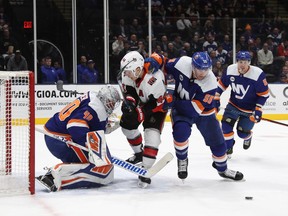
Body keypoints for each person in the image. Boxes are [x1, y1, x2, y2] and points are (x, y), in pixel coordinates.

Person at [165, 51, 244, 181]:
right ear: (192, 65)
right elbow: (164, 64)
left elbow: (193, 110)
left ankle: (223, 169)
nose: (202, 72)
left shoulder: (211, 83)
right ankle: (182, 160)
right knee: (180, 133)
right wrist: (156, 61)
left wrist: (172, 101)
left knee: (219, 144)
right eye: (199, 68)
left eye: (205, 69)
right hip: (182, 108)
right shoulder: (181, 63)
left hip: (203, 112)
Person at [36, 85, 121, 192]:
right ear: (103, 98)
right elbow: (74, 125)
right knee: (103, 172)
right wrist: (91, 148)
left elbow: (85, 120)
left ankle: (57, 173)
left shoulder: (93, 96)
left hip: (55, 135)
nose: (112, 106)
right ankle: (57, 177)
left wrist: (105, 126)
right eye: (110, 102)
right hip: (60, 140)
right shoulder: (96, 108)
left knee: (103, 167)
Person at [119, 51, 168, 188]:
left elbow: (156, 104)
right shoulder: (130, 75)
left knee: (152, 140)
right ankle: (139, 154)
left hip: (156, 110)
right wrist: (130, 103)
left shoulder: (155, 79)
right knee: (126, 127)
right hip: (141, 103)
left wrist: (140, 111)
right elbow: (130, 92)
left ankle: (145, 167)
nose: (126, 74)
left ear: (138, 68)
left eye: (128, 71)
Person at [215, 51, 270, 158]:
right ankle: (228, 148)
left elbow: (264, 94)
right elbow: (222, 84)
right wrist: (216, 97)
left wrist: (258, 109)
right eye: (240, 62)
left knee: (242, 133)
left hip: (249, 110)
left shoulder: (257, 74)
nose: (242, 65)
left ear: (249, 62)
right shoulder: (230, 69)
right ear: (237, 62)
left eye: (245, 62)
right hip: (233, 105)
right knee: (225, 128)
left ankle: (248, 137)